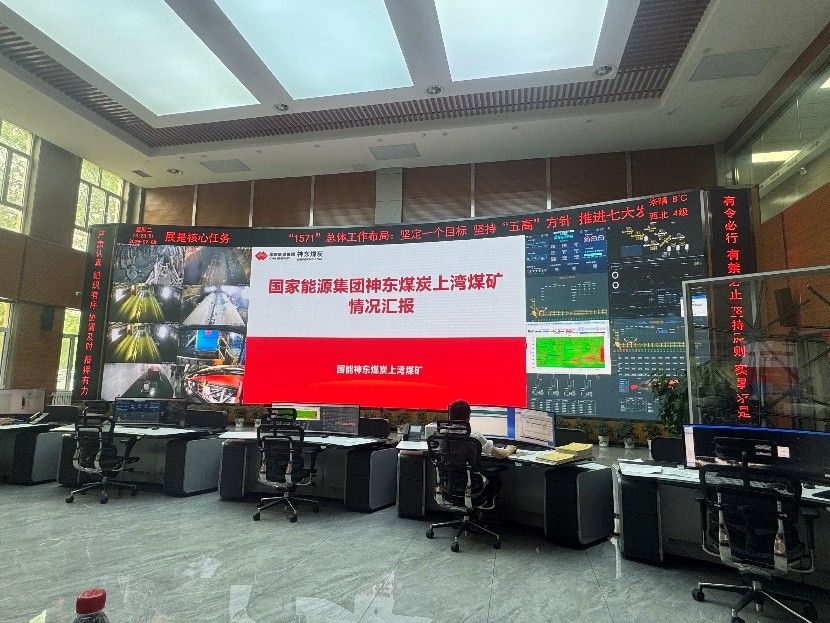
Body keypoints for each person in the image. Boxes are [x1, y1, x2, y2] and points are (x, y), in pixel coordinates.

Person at [447, 400, 517, 458]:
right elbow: (499, 455)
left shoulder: (443, 433)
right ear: (468, 417)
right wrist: (509, 450)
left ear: (450, 416)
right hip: (468, 471)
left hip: (446, 471)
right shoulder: (474, 436)